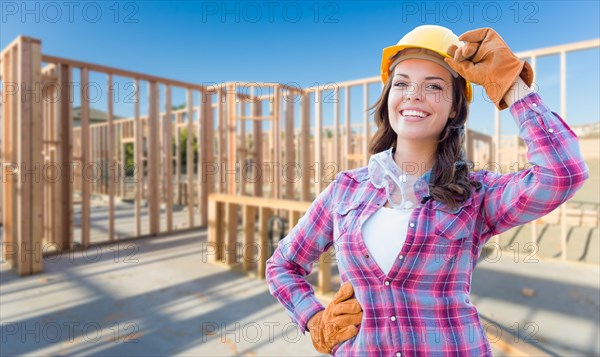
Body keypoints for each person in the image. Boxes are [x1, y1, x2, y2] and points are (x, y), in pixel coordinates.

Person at [265, 25, 589, 356]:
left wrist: (511, 85)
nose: (413, 94)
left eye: (433, 86)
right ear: (389, 96)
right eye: (402, 83)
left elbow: (562, 173)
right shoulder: (345, 191)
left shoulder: (475, 195)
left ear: (453, 108)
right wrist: (314, 319)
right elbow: (281, 266)